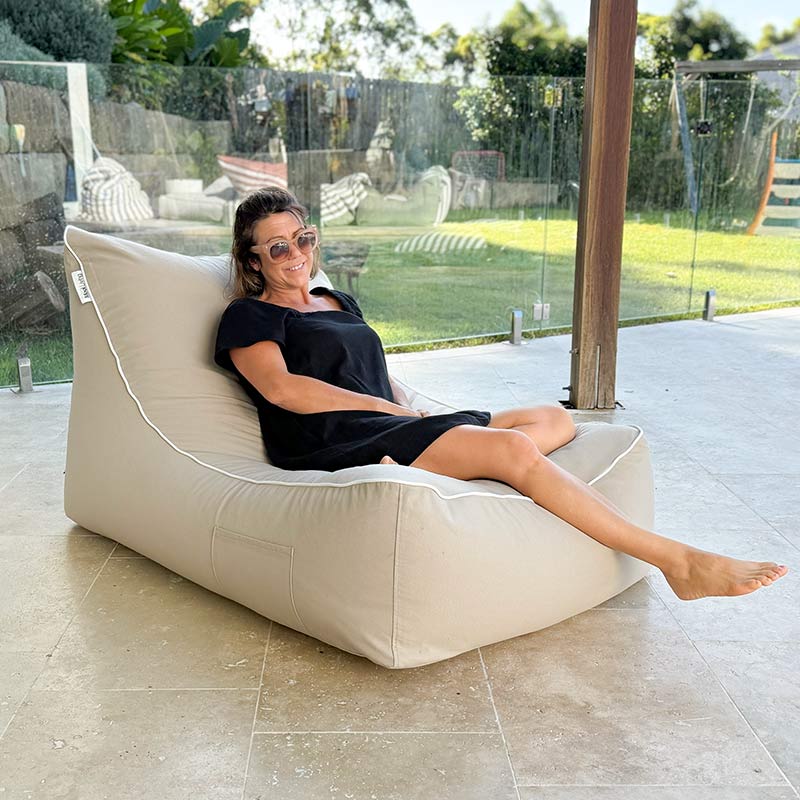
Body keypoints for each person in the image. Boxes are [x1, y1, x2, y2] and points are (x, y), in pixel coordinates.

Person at [214, 187, 789, 602]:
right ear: (252, 259)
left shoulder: (337, 300)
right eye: (278, 248)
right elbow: (283, 390)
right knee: (514, 449)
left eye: (302, 238)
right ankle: (677, 561)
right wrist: (386, 410)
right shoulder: (249, 315)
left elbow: (374, 373)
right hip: (331, 440)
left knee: (553, 420)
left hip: (390, 425)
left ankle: (432, 470)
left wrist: (409, 409)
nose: (296, 254)